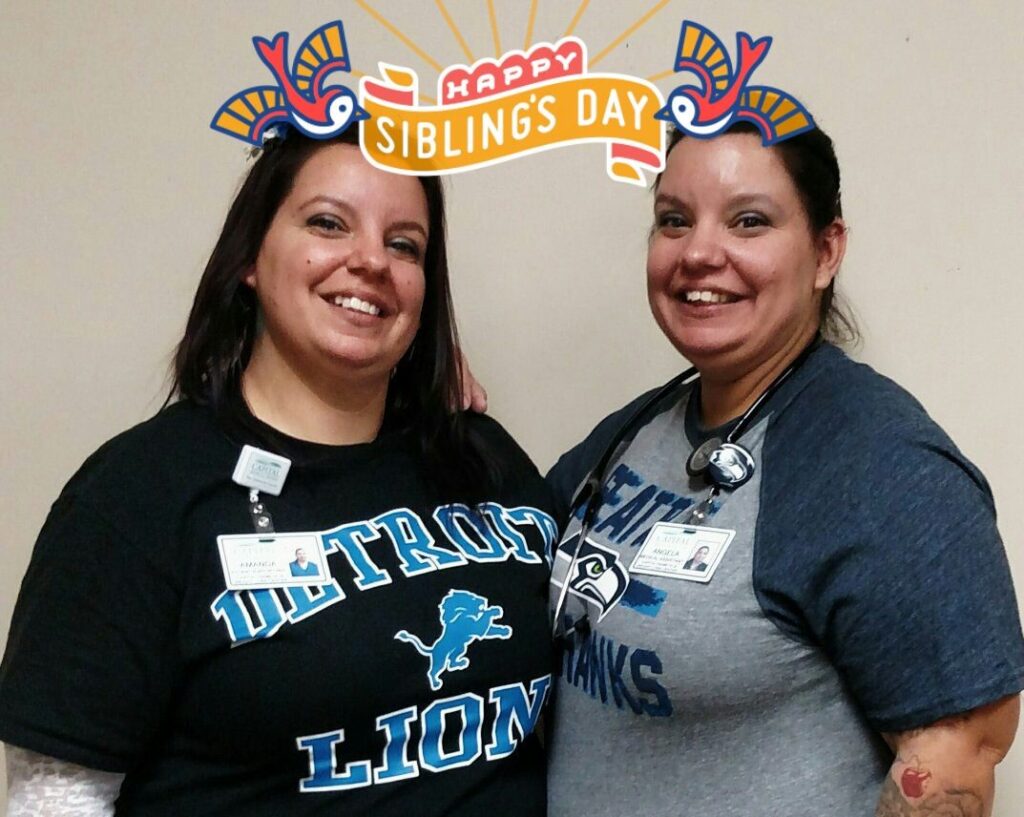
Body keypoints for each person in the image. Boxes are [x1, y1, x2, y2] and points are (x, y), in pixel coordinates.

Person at [0, 127, 556, 816]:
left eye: (404, 244)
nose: (370, 261)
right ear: (250, 259)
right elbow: (58, 796)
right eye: (328, 223)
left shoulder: (482, 458)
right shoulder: (138, 493)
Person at [545, 121, 1024, 816]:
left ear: (826, 251)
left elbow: (958, 755)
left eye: (748, 221)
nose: (700, 252)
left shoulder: (880, 466)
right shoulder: (633, 432)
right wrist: (418, 391)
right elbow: (498, 556)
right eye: (673, 220)